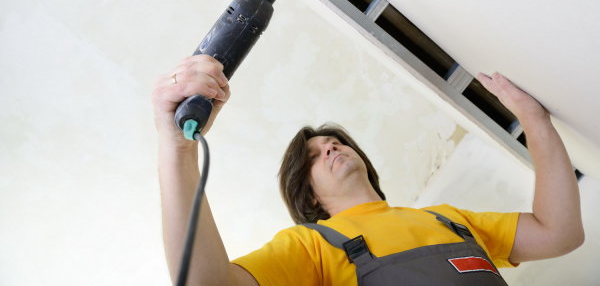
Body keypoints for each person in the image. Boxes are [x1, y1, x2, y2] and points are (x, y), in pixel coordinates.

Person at [153, 54, 584, 286]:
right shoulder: (311, 246)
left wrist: (534, 120)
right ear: (309, 197)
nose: (331, 148)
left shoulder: (450, 220)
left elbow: (559, 232)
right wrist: (178, 149)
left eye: (334, 142)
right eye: (315, 155)